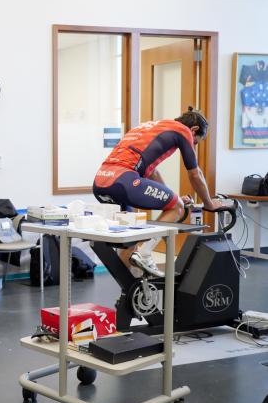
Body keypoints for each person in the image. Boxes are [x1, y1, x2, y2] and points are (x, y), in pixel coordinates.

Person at [93, 108, 225, 277]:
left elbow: (152, 172)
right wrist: (209, 203)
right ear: (194, 130)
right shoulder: (183, 130)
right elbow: (195, 174)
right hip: (123, 181)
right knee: (177, 209)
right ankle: (145, 253)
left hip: (101, 181)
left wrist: (174, 197)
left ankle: (130, 289)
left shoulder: (151, 126)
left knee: (130, 240)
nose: (193, 145)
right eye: (196, 142)